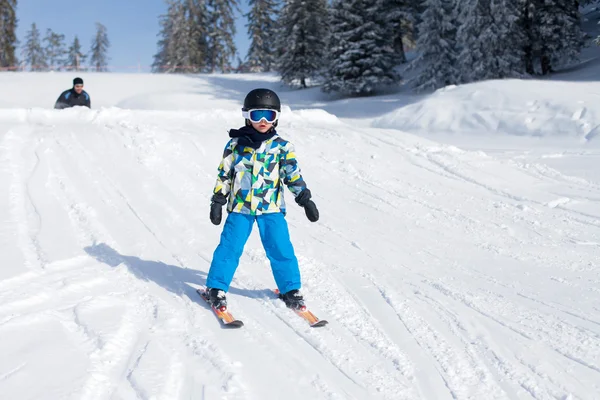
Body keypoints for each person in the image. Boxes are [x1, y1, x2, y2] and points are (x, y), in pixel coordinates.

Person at [206, 88, 319, 311]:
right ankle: (216, 288)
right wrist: (218, 200)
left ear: (277, 118)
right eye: (258, 115)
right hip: (240, 207)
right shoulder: (235, 145)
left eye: (270, 115)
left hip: (271, 208)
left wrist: (304, 198)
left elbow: (292, 175)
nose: (264, 121)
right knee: (229, 248)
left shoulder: (282, 147)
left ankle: (290, 289)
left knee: (280, 248)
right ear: (247, 116)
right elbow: (224, 174)